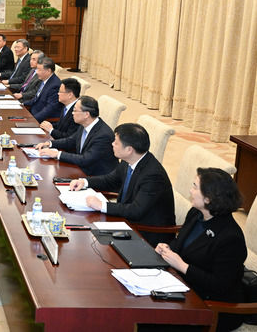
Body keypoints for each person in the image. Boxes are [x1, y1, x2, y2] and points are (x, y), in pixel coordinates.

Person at [156, 168, 246, 332]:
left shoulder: (231, 238)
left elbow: (219, 285)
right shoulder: (196, 213)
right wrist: (168, 248)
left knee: (148, 322)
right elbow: (181, 243)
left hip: (212, 307)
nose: (190, 190)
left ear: (209, 198)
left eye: (195, 187)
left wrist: (182, 266)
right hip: (183, 287)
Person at [69, 123, 175, 246]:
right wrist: (85, 182)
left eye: (116, 142)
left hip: (147, 233)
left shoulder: (153, 175)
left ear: (129, 149)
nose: (112, 144)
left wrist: (102, 205)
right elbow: (109, 180)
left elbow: (136, 210)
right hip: (125, 222)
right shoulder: (129, 160)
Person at [36, 95, 117, 176]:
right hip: (82, 169)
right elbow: (71, 141)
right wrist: (50, 143)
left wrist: (57, 154)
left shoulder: (103, 135)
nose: (72, 113)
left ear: (86, 114)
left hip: (95, 176)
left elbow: (85, 159)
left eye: (75, 110)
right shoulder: (85, 124)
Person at [23, 57, 62, 122]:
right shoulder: (44, 79)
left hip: (42, 118)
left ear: (48, 71)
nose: (37, 72)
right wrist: (22, 104)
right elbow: (36, 99)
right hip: (32, 112)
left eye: (39, 70)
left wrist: (33, 120)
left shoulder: (55, 85)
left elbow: (49, 109)